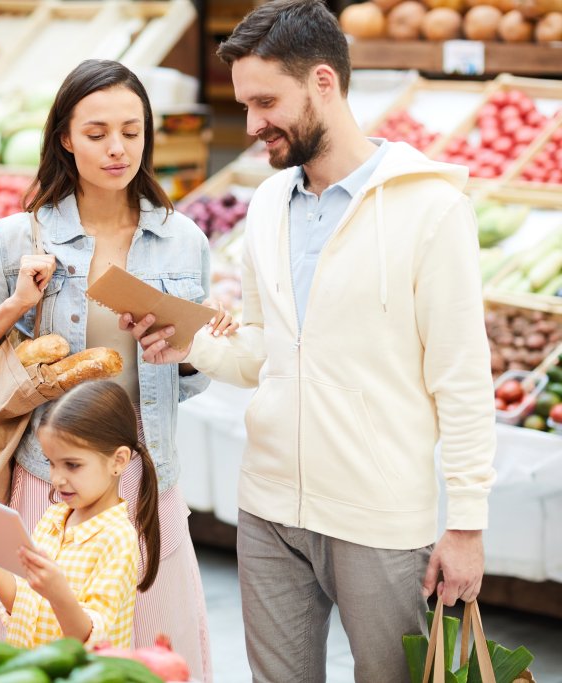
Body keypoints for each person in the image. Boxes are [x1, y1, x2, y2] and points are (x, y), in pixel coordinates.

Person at [130, 1, 497, 680]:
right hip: (268, 506)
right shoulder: (268, 203)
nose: (251, 124)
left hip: (379, 518)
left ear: (323, 83)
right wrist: (186, 338)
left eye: (266, 101)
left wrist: (467, 524)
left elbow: (463, 375)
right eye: (243, 104)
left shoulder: (429, 206)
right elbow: (263, 353)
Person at [0, 59, 219, 679]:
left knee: (152, 650)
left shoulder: (183, 239)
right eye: (96, 133)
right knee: (44, 643)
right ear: (64, 136)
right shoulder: (18, 238)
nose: (118, 149)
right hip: (49, 474)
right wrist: (16, 305)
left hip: (146, 475)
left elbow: (195, 378)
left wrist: (184, 349)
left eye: (132, 132)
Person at [0, 380, 159, 649]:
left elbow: (90, 640)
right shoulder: (53, 519)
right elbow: (23, 607)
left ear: (118, 461)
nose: (57, 479)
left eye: (72, 465)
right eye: (51, 463)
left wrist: (57, 593)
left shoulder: (117, 538)